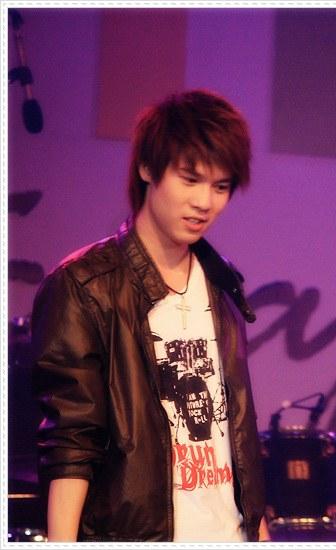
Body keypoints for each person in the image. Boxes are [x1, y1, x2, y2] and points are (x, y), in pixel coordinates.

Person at [32, 90, 267, 542]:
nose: (205, 202)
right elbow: (70, 443)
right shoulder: (84, 286)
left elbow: (236, 437)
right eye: (190, 179)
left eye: (221, 187)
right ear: (147, 168)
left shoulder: (222, 285)